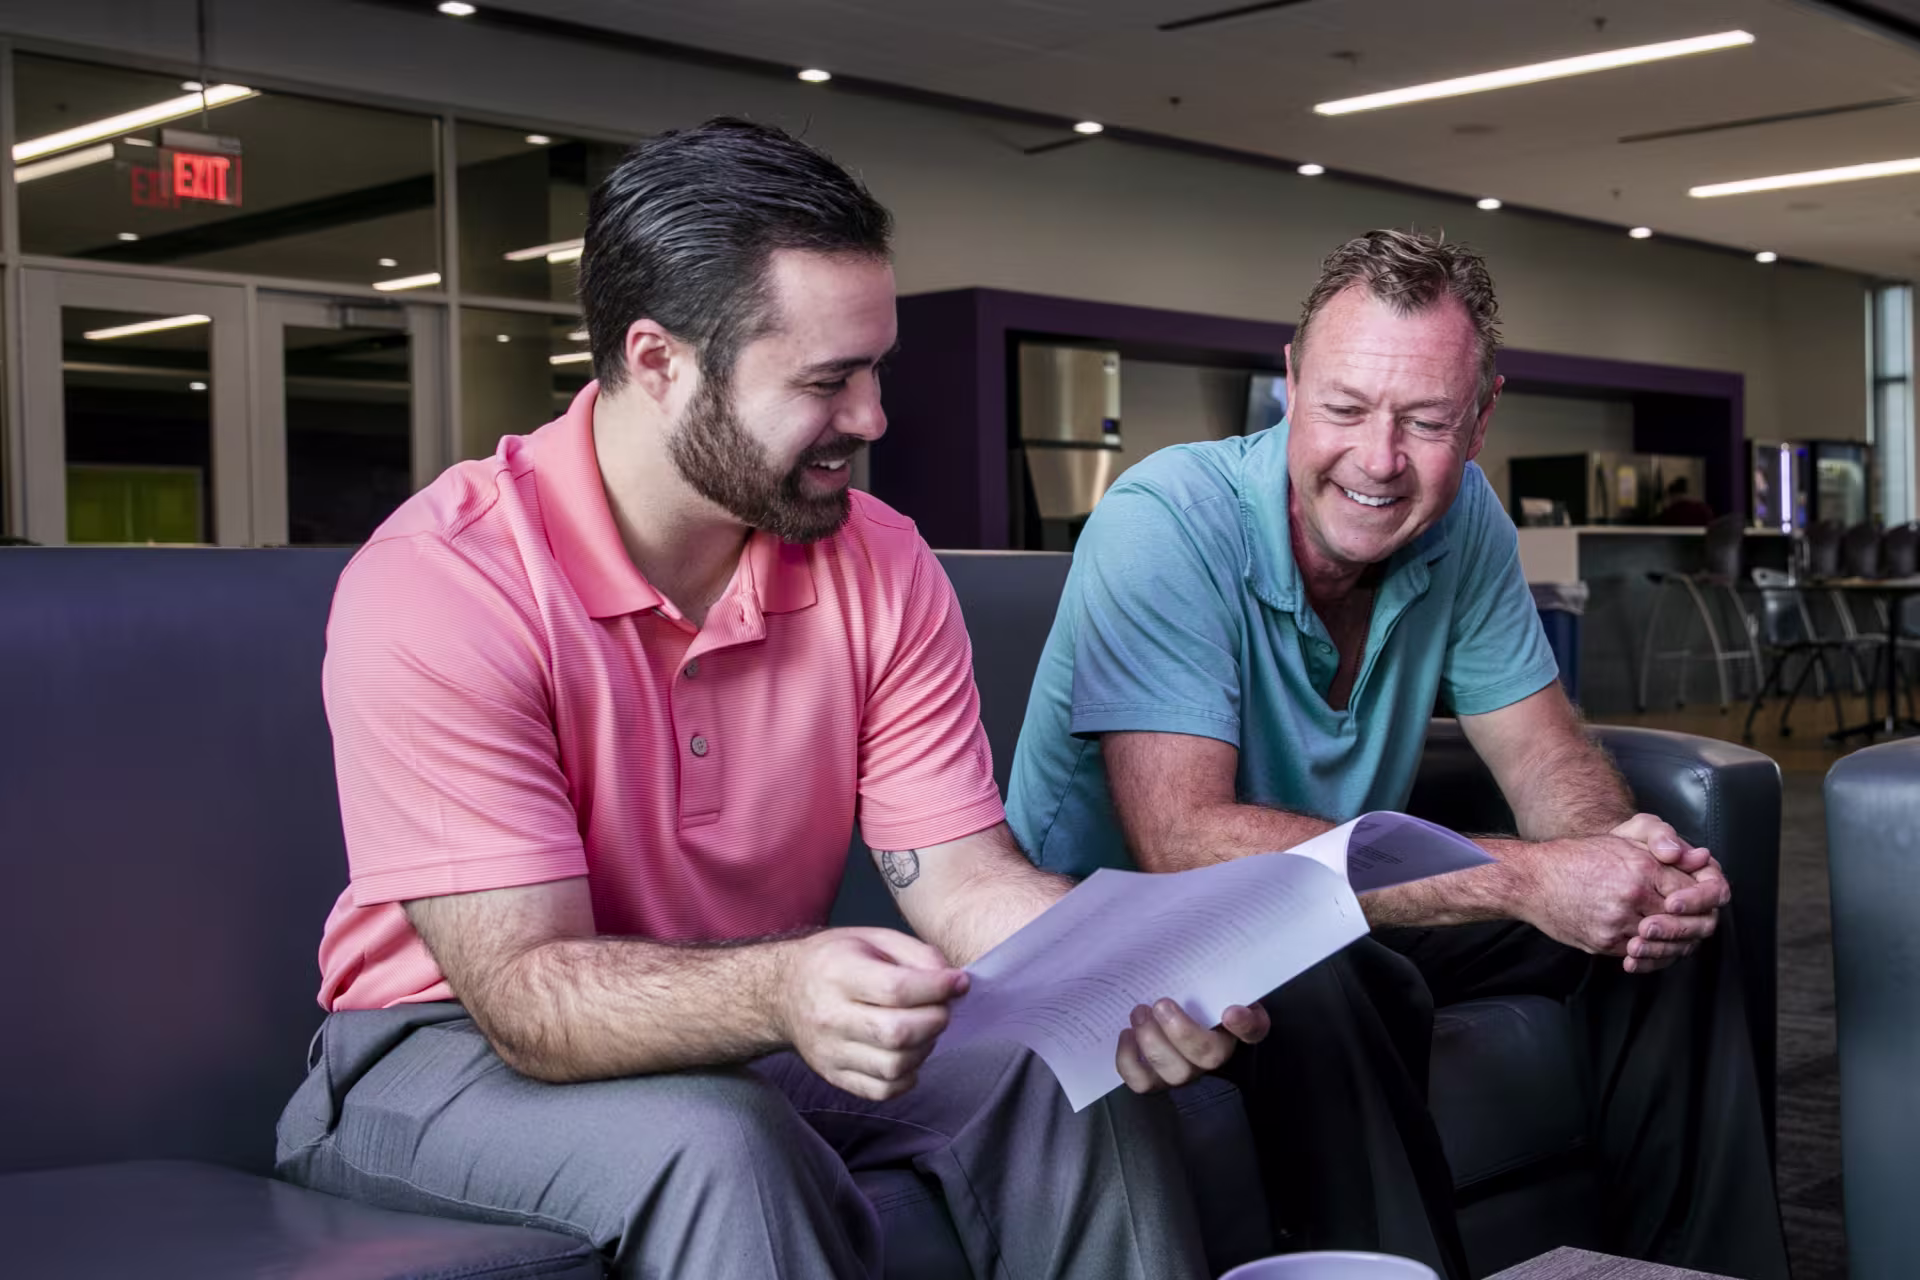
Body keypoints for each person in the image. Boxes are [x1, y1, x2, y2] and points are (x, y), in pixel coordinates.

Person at [275, 118, 1268, 1280]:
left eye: (875, 369)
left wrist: (1123, 968)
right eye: (827, 380)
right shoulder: (447, 581)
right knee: (722, 1143)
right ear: (659, 361)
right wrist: (783, 984)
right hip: (445, 1047)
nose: (873, 417)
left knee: (1061, 1064)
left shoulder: (879, 561)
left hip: (738, 1023)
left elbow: (962, 881)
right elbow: (528, 994)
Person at [1006, 229, 1789, 1280]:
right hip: (1126, 933)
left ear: (1481, 415)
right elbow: (1184, 842)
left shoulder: (1465, 520)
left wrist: (1613, 861)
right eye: (1344, 408)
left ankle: (1694, 1270)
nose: (1378, 460)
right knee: (1315, 963)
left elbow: (1545, 757)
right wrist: (1527, 878)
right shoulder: (1167, 521)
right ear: (1291, 381)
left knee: (1661, 928)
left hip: (1341, 903)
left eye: (1425, 421)